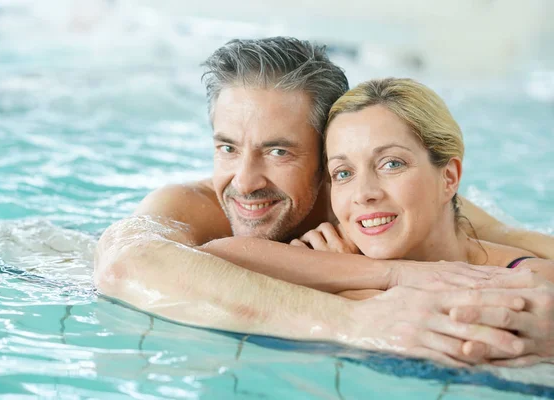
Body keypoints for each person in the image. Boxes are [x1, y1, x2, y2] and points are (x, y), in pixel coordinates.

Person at [94, 37, 554, 367]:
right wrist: (357, 314)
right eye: (227, 148)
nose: (246, 182)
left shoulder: (372, 204)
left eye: (279, 151)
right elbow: (125, 264)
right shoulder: (193, 206)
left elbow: (511, 248)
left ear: (324, 158)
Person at [292, 77, 554, 365]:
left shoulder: (529, 285)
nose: (363, 194)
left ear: (449, 178)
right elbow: (234, 258)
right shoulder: (326, 253)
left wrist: (345, 289)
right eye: (343, 173)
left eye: (392, 163)